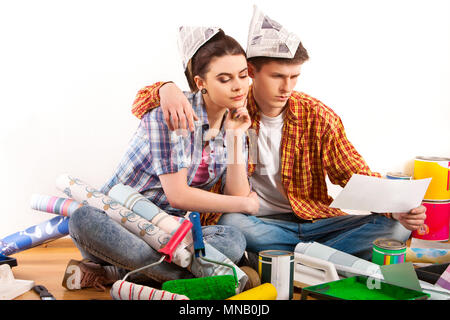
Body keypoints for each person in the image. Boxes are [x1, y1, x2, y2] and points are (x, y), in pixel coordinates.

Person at [131, 6, 426, 264]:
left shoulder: (317, 115)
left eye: (294, 77)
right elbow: (156, 102)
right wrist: (164, 87)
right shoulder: (230, 107)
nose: (287, 87)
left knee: (396, 230)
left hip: (314, 221)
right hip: (255, 223)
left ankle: (294, 262)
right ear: (251, 72)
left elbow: (353, 174)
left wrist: (396, 208)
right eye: (278, 77)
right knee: (233, 224)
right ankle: (325, 259)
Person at [64, 27, 258, 291]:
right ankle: (200, 275)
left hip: (173, 234)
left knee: (233, 238)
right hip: (123, 227)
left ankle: (114, 274)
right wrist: (245, 205)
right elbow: (178, 195)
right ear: (201, 83)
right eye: (225, 79)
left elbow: (238, 193)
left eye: (243, 75)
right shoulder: (172, 113)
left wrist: (236, 137)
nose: (239, 86)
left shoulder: (236, 121)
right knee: (83, 218)